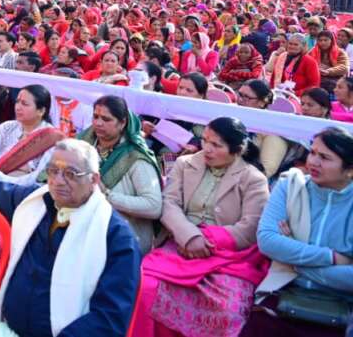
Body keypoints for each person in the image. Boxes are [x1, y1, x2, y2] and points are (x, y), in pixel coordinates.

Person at [0, 139, 143, 337]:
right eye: (53, 171)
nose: (58, 180)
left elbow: (109, 319)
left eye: (70, 174)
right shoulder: (36, 202)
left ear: (94, 180)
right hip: (8, 329)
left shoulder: (116, 237)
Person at [134, 117, 270, 337]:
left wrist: (208, 240)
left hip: (228, 256)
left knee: (228, 310)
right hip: (180, 245)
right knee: (146, 286)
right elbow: (169, 203)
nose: (207, 148)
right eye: (205, 140)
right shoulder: (185, 164)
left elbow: (251, 227)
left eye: (216, 145)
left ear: (237, 150)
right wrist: (189, 237)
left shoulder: (254, 179)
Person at [242, 127, 353, 337]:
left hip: (342, 304)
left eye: (325, 157)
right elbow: (267, 240)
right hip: (284, 290)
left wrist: (292, 260)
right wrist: (332, 257)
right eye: (313, 152)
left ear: (350, 169)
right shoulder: (291, 186)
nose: (313, 162)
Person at [78, 95, 162, 253]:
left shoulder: (135, 157)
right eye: (95, 117)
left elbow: (154, 206)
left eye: (106, 119)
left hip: (122, 239)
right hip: (83, 230)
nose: (98, 123)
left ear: (122, 123)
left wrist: (106, 196)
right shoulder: (82, 146)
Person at [0, 83, 60, 185]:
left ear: (41, 111)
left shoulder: (51, 138)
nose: (18, 107)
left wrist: (0, 179)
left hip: (24, 190)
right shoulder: (6, 128)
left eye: (25, 104)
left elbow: (36, 179)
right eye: (17, 102)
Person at [310, 30, 349, 94]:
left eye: (325, 40)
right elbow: (306, 63)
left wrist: (328, 71)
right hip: (316, 77)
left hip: (335, 79)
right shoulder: (313, 51)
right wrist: (316, 68)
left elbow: (344, 68)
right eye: (320, 40)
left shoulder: (340, 52)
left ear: (331, 40)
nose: (323, 42)